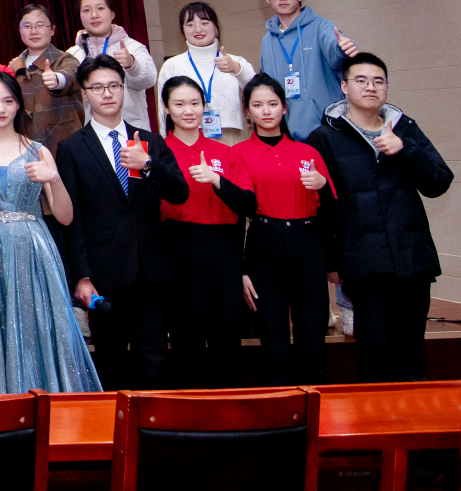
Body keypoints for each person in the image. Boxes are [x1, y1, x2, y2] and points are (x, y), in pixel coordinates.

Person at [307, 53, 454, 382]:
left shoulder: (404, 128)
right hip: (364, 262)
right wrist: (331, 260)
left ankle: (413, 413)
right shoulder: (324, 138)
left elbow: (439, 182)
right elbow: (320, 207)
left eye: (378, 81)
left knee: (411, 354)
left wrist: (406, 149)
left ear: (387, 87)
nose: (370, 87)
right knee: (374, 354)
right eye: (361, 80)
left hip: (412, 259)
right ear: (344, 87)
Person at [0, 73, 101, 394]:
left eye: (8, 101)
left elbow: (65, 216)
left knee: (38, 325)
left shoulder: (38, 151)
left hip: (33, 250)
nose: (1, 109)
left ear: (18, 105)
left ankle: (45, 402)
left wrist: (54, 178)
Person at [55, 55, 189, 390]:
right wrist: (81, 276)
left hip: (151, 269)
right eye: (98, 87)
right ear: (85, 94)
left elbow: (180, 193)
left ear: (124, 88)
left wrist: (148, 165)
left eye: (114, 85)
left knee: (154, 358)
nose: (107, 93)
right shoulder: (72, 148)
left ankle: (149, 419)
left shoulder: (150, 142)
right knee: (111, 361)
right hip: (104, 272)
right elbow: (73, 219)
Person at [234, 74, 338, 385]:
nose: (266, 111)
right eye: (257, 105)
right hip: (264, 242)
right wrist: (241, 269)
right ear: (247, 111)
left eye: (273, 104)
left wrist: (323, 185)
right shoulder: (238, 154)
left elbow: (332, 210)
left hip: (307, 242)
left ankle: (317, 401)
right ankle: (278, 402)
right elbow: (236, 215)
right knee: (272, 332)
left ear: (284, 108)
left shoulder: (308, 153)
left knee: (313, 329)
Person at [160, 76, 257, 389]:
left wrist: (217, 180)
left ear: (204, 107)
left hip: (223, 249)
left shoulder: (225, 153)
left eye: (195, 103)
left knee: (226, 333)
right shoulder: (158, 153)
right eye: (179, 104)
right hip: (178, 248)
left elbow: (249, 205)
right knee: (186, 334)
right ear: (166, 108)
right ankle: (191, 409)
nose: (188, 110)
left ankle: (229, 408)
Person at [257, 0, 360, 140]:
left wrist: (342, 49)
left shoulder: (321, 27)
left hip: (327, 132)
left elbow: (335, 51)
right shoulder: (267, 41)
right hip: (285, 135)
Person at [155, 2, 256, 145]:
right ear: (183, 29)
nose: (198, 29)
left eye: (204, 23)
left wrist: (236, 69)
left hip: (229, 137)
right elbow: (163, 112)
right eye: (190, 24)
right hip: (187, 138)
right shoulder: (172, 65)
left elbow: (257, 91)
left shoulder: (234, 61)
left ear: (215, 26)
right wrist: (165, 145)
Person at [66, 0, 157, 132]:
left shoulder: (132, 47)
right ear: (80, 17)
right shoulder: (72, 55)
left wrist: (132, 65)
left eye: (100, 8)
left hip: (132, 132)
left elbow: (150, 80)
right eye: (87, 10)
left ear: (112, 14)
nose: (94, 15)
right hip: (90, 135)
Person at [7, 4, 84, 148]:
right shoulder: (14, 67)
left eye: (40, 25)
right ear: (19, 30)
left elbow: (71, 74)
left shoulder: (66, 59)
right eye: (27, 26)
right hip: (25, 147)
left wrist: (57, 80)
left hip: (64, 147)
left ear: (52, 29)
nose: (33, 31)